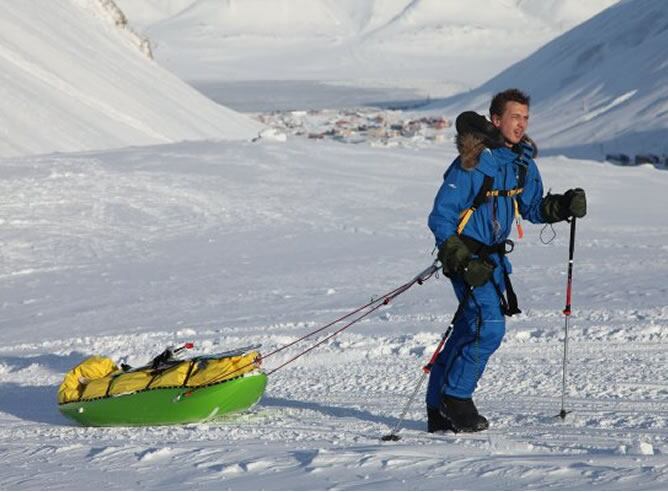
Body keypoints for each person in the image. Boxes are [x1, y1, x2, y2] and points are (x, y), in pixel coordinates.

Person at [425, 88, 587, 433]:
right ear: (496, 119)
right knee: (489, 328)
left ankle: (436, 408)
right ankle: (456, 398)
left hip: (494, 262)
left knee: (470, 329)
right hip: (466, 256)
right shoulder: (472, 162)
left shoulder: (521, 163)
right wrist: (461, 259)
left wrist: (561, 206)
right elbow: (441, 217)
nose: (521, 124)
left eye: (525, 117)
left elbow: (532, 208)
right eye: (515, 117)